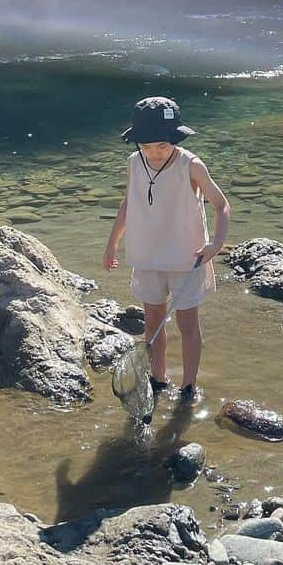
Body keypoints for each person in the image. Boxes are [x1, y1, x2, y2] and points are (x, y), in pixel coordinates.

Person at [103, 96, 230, 403]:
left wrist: (215, 244)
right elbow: (128, 203)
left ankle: (188, 385)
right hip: (147, 257)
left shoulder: (191, 165)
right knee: (153, 322)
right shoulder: (134, 163)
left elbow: (222, 205)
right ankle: (159, 379)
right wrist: (112, 243)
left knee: (187, 323)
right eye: (145, 147)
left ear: (175, 138)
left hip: (187, 258)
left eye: (161, 146)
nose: (154, 153)